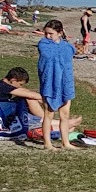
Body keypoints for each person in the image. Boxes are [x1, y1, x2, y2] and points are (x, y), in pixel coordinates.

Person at [36, 19, 77, 151]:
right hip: (49, 82)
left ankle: (66, 142)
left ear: (59, 33)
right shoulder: (43, 44)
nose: (48, 36)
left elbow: (70, 53)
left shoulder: (67, 46)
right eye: (46, 33)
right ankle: (47, 143)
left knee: (65, 115)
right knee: (48, 113)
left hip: (65, 82)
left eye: (51, 33)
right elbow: (48, 55)